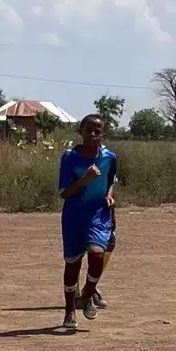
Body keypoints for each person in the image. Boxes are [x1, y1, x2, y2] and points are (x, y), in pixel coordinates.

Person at [56, 114, 118, 330]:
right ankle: (70, 310)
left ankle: (89, 293)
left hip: (98, 215)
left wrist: (109, 194)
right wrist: (85, 180)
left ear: (103, 135)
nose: (93, 135)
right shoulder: (70, 157)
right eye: (88, 130)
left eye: (98, 131)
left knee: (97, 253)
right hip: (74, 216)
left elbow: (111, 179)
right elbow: (65, 192)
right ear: (80, 132)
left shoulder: (109, 157)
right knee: (72, 264)